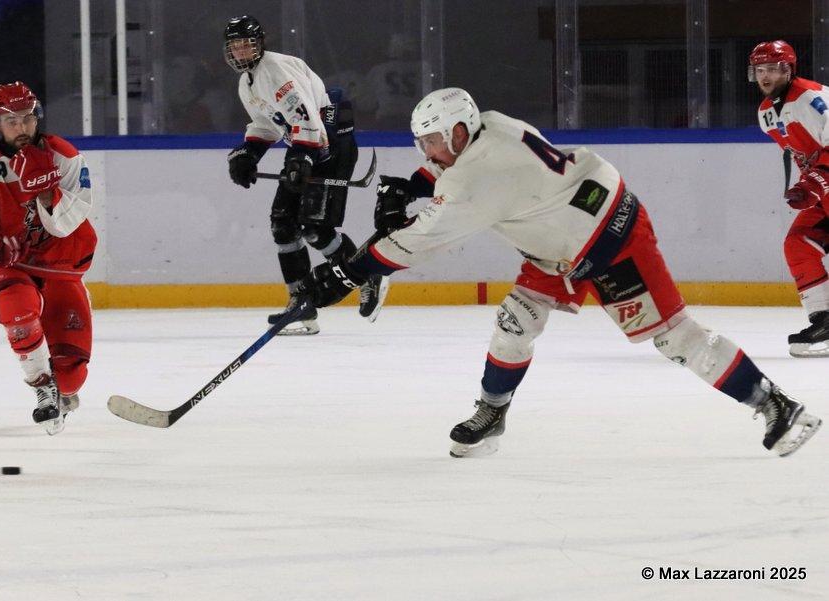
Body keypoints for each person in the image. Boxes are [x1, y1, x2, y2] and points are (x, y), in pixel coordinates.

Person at [298, 87, 823, 458]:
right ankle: (492, 413)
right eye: (423, 144)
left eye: (431, 141)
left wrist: (343, 275)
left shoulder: (477, 179)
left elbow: (415, 242)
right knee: (514, 322)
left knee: (676, 339)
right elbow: (446, 171)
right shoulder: (489, 124)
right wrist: (411, 186)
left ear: (458, 131)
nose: (427, 152)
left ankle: (776, 405)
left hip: (610, 236)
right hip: (559, 239)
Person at [223, 15, 388, 334]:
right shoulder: (247, 83)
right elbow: (268, 126)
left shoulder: (276, 71)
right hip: (306, 144)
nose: (241, 51)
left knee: (315, 227)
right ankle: (301, 305)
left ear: (259, 44)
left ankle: (368, 274)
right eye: (235, 46)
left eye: (246, 44)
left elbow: (308, 118)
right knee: (283, 223)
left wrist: (301, 160)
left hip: (330, 142)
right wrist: (248, 153)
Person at [0, 81, 96, 435]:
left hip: (58, 265)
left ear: (37, 117)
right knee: (19, 306)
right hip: (6, 265)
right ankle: (42, 385)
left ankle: (62, 389)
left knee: (73, 374)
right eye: (11, 120)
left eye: (27, 118)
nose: (21, 127)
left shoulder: (65, 157)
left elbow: (70, 222)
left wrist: (46, 193)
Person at [750, 40, 829, 358]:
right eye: (760, 70)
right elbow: (806, 154)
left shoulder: (810, 97)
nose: (765, 76)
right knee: (799, 243)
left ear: (789, 69)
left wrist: (815, 182)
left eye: (773, 68)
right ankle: (824, 321)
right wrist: (809, 184)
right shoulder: (766, 113)